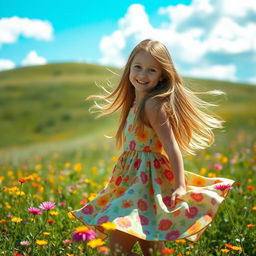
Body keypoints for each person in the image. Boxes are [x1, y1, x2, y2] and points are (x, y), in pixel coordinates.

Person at [71, 39, 235, 256]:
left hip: (145, 186)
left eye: (151, 70)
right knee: (152, 252)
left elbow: (171, 146)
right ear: (129, 67)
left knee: (114, 251)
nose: (142, 74)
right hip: (132, 183)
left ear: (162, 76)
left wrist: (180, 186)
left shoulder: (153, 105)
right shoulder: (133, 104)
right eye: (138, 67)